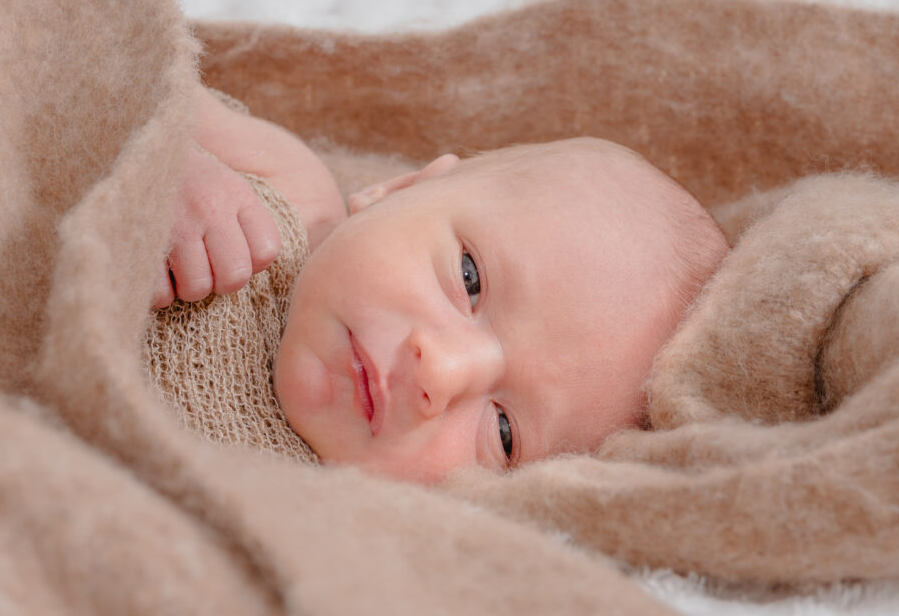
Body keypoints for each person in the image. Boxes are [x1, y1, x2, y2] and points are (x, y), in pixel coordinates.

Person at [154, 85, 728, 483]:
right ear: (401, 189)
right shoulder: (289, 191)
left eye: (504, 435)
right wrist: (165, 167)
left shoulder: (327, 522)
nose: (442, 373)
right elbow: (119, 59)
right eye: (470, 279)